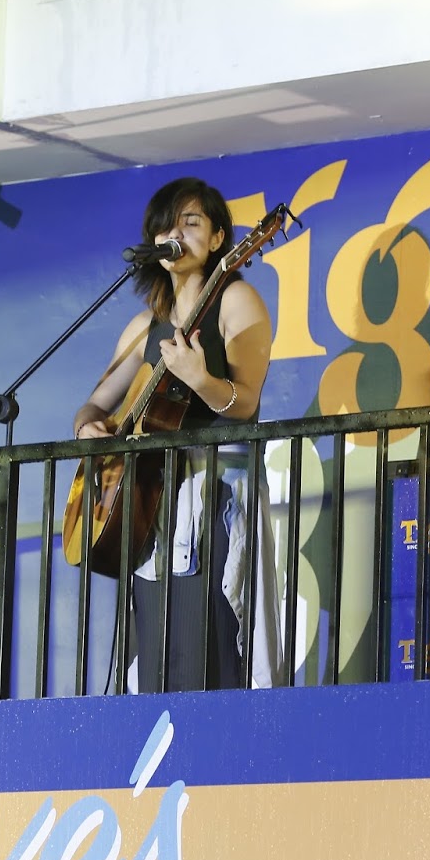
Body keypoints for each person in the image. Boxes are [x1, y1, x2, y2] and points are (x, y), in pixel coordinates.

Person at [72, 177, 285, 692]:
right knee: (158, 656)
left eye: (190, 223)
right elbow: (96, 402)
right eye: (167, 226)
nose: (176, 234)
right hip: (149, 507)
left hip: (210, 500)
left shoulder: (238, 300)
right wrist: (88, 428)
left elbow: (246, 401)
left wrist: (199, 379)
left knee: (210, 646)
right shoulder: (146, 324)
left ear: (218, 239)